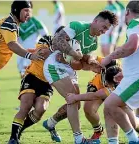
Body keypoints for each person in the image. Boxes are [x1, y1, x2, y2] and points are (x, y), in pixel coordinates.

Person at [43, 10, 118, 144]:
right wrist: (72, 52)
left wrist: (90, 66)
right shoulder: (78, 26)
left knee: (75, 104)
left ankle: (50, 122)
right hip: (54, 65)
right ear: (96, 20)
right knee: (72, 99)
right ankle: (79, 139)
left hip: (69, 69)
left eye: (107, 29)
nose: (105, 31)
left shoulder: (94, 43)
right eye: (104, 27)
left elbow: (78, 65)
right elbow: (57, 40)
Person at [0, 1, 43, 143]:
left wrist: (31, 51)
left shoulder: (9, 22)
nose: (28, 14)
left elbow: (11, 45)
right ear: (16, 10)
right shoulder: (9, 24)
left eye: (30, 11)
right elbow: (12, 45)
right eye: (25, 10)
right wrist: (30, 56)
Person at [101, 1, 139, 144]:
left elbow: (132, 45)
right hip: (136, 77)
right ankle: (113, 141)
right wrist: (125, 72)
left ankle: (134, 139)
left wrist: (110, 56)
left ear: (126, 12)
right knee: (109, 108)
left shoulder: (135, 24)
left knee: (110, 105)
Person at [7, 26, 65, 144]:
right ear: (56, 34)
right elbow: (42, 53)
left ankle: (20, 130)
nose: (64, 39)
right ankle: (13, 138)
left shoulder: (68, 49)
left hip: (47, 83)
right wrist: (59, 53)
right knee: (26, 106)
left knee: (41, 109)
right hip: (32, 77)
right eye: (62, 35)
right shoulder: (46, 39)